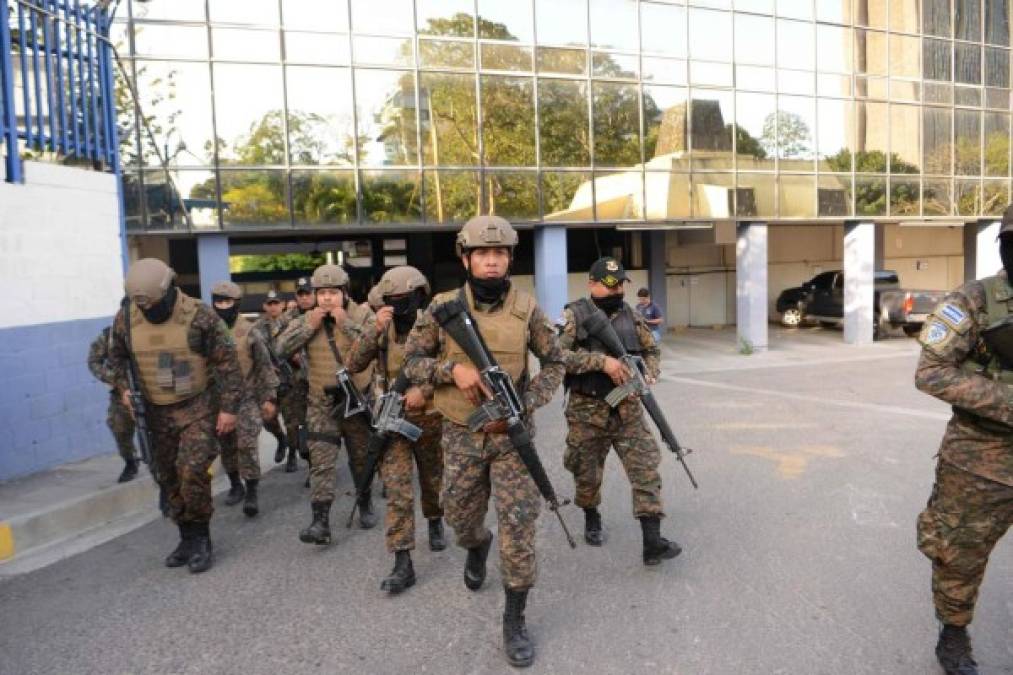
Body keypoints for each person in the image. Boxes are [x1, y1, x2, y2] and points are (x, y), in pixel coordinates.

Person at [403, 215, 564, 668]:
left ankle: (514, 618)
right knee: (458, 513)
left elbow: (556, 362)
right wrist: (451, 370)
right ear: (466, 258)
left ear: (509, 258)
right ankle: (476, 544)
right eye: (482, 254)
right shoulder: (443, 307)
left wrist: (528, 400)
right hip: (461, 433)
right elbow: (411, 361)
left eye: (499, 254)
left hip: (513, 439)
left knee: (519, 527)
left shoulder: (527, 308)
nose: (492, 261)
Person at [914, 204, 1013, 675]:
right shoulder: (974, 300)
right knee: (959, 552)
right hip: (980, 457)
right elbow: (931, 373)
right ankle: (952, 635)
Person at [107, 258, 241, 573]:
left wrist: (229, 409)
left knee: (192, 471)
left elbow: (228, 364)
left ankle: (202, 538)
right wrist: (123, 389)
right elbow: (115, 359)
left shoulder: (200, 316)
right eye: (145, 307)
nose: (150, 312)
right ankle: (186, 537)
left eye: (155, 305)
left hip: (197, 407)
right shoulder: (126, 318)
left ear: (170, 290)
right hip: (155, 412)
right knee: (166, 477)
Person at [558, 258, 681, 566]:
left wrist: (650, 371)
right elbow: (557, 355)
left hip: (627, 409)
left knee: (646, 469)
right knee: (586, 474)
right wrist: (602, 363)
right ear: (592, 284)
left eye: (620, 284)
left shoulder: (633, 316)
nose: (616, 290)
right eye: (609, 284)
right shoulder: (575, 314)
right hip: (587, 411)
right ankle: (591, 514)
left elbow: (651, 348)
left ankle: (652, 542)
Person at [349, 266, 446, 595]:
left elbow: (456, 369)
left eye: (403, 299)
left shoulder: (438, 326)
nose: (397, 305)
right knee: (398, 491)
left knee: (433, 481)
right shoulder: (381, 327)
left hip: (431, 418)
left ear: (420, 295)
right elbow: (353, 364)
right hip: (391, 421)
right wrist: (372, 329)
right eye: (391, 300)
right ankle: (402, 561)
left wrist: (426, 391)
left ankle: (435, 519)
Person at [276, 264, 378, 544]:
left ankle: (365, 503)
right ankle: (320, 521)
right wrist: (310, 325)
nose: (327, 299)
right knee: (321, 462)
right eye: (321, 293)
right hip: (320, 402)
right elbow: (281, 348)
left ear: (344, 293)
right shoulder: (307, 318)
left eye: (333, 293)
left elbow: (374, 345)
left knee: (361, 459)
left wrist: (344, 321)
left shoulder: (361, 314)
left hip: (355, 403)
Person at [210, 281, 280, 517]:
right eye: (218, 301)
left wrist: (269, 398)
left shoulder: (250, 331)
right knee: (226, 445)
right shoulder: (207, 330)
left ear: (236, 304)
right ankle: (234, 484)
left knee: (246, 444)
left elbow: (264, 367)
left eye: (227, 301)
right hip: (219, 401)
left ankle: (251, 488)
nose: (222, 306)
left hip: (248, 397)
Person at [87, 326, 139, 483]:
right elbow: (93, 361)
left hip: (151, 390)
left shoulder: (150, 329)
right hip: (121, 393)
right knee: (119, 427)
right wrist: (115, 381)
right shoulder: (109, 336)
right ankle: (131, 462)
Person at [257, 289, 290, 465]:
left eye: (276, 303)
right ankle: (281, 438)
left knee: (293, 421)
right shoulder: (257, 328)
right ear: (264, 306)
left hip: (292, 379)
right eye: (269, 304)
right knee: (267, 418)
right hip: (270, 381)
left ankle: (293, 454)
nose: (273, 307)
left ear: (283, 305)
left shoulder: (292, 324)